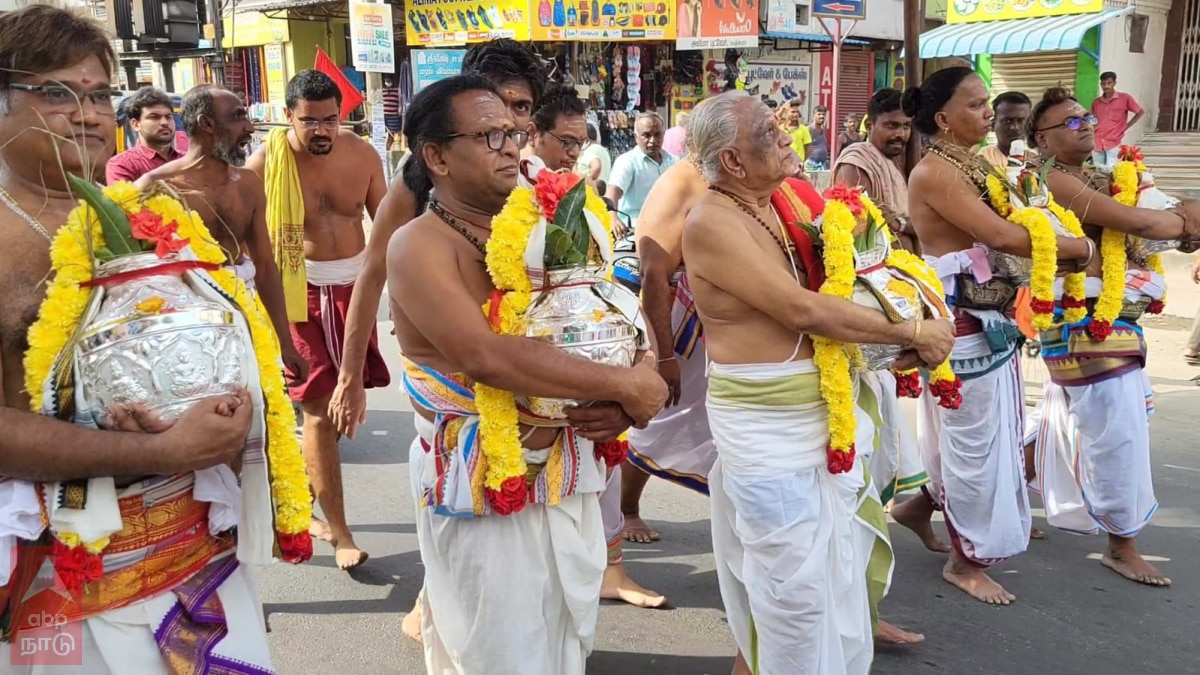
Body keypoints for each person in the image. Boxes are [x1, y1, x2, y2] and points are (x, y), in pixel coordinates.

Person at [0, 6, 268, 671]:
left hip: (194, 549)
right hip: (59, 573)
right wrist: (156, 447)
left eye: (97, 94)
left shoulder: (146, 216)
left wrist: (237, 414)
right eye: (56, 93)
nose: (86, 113)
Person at [388, 73, 668, 674]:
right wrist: (626, 386)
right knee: (500, 653)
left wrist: (638, 373)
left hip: (567, 468)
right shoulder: (418, 245)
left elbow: (611, 313)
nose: (512, 147)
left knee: (562, 640)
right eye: (490, 136)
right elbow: (485, 356)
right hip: (484, 477)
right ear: (436, 155)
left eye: (515, 132)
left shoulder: (552, 222)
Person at [685, 90, 955, 675]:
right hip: (767, 432)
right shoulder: (711, 221)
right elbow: (801, 310)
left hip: (823, 414)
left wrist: (897, 342)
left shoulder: (783, 204)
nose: (787, 133)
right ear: (732, 161)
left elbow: (848, 283)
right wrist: (911, 329)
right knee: (792, 596)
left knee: (833, 574)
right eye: (769, 129)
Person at [326, 38, 547, 641]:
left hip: (537, 387)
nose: (510, 130)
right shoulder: (419, 180)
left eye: (522, 113)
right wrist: (350, 375)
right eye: (492, 118)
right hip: (455, 375)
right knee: (464, 536)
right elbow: (373, 272)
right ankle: (443, 604)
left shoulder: (540, 183)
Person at [905, 67, 1093, 605]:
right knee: (975, 448)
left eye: (987, 102)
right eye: (976, 104)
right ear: (943, 119)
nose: (988, 112)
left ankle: (918, 508)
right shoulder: (936, 172)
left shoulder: (975, 164)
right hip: (964, 327)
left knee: (985, 438)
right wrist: (1077, 249)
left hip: (992, 322)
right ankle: (965, 564)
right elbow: (1002, 235)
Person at [1027, 86, 1200, 586]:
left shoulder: (1108, 174)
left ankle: (950, 495)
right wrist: (1184, 221)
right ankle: (1122, 544)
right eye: (1071, 122)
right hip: (1079, 318)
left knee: (1068, 418)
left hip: (1118, 318)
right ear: (1043, 139)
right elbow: (1138, 220)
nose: (1084, 124)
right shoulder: (1049, 181)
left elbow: (1164, 206)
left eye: (1085, 117)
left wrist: (1185, 213)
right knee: (1117, 429)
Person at [246, 69, 390, 571]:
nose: (322, 130)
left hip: (356, 291)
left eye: (331, 119)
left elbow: (389, 229)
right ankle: (342, 532)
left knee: (340, 406)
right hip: (296, 293)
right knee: (317, 410)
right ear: (288, 117)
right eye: (310, 122)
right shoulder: (266, 163)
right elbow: (248, 240)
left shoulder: (364, 155)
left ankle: (300, 501)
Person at [528, 84, 665, 609]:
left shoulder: (577, 193)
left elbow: (602, 276)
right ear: (533, 134)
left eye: (581, 142)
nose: (573, 154)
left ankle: (606, 574)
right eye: (564, 141)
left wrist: (633, 353)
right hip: (532, 366)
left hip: (589, 344)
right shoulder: (506, 194)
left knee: (597, 471)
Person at [832, 87, 946, 555]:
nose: (899, 135)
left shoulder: (903, 162)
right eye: (890, 126)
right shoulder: (857, 161)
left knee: (890, 427)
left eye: (905, 127)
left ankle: (895, 513)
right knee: (871, 425)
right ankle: (863, 526)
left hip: (901, 295)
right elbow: (846, 228)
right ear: (871, 125)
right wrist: (906, 224)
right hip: (872, 306)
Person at [134, 85, 305, 379]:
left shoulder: (248, 183)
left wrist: (286, 344)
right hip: (186, 329)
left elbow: (265, 267)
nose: (249, 128)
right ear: (207, 124)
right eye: (238, 117)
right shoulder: (155, 187)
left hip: (245, 314)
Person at [606, 112, 677, 240]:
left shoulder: (674, 162)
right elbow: (612, 192)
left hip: (669, 232)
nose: (652, 141)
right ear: (636, 137)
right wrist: (612, 218)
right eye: (646, 135)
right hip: (634, 233)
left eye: (657, 135)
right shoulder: (627, 162)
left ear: (663, 134)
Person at [106, 85, 181, 183]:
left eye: (168, 116)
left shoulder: (188, 160)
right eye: (154, 117)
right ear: (136, 124)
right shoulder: (122, 164)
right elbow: (124, 197)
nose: (165, 122)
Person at [1090, 72, 1144, 169]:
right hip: (1097, 143)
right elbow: (1093, 120)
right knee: (1098, 173)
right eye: (1103, 83)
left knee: (1113, 172)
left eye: (1109, 83)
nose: (1106, 86)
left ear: (1114, 83)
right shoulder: (1096, 102)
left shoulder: (1125, 98)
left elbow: (1140, 112)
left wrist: (1126, 126)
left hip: (1114, 142)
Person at [980, 91, 1032, 166]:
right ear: (993, 125)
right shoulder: (981, 160)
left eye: (1021, 121)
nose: (1015, 127)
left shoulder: (1036, 163)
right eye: (1008, 121)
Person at [805, 104, 830, 172]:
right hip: (811, 165)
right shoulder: (809, 129)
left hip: (822, 164)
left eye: (823, 114)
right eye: (819, 114)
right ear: (813, 116)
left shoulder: (823, 129)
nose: (822, 116)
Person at [382, 73, 402, 152]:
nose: (387, 82)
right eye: (386, 80)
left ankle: (390, 150)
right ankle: (387, 150)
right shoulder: (381, 90)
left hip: (394, 116)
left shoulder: (397, 90)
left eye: (389, 80)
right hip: (384, 115)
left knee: (394, 135)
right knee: (385, 135)